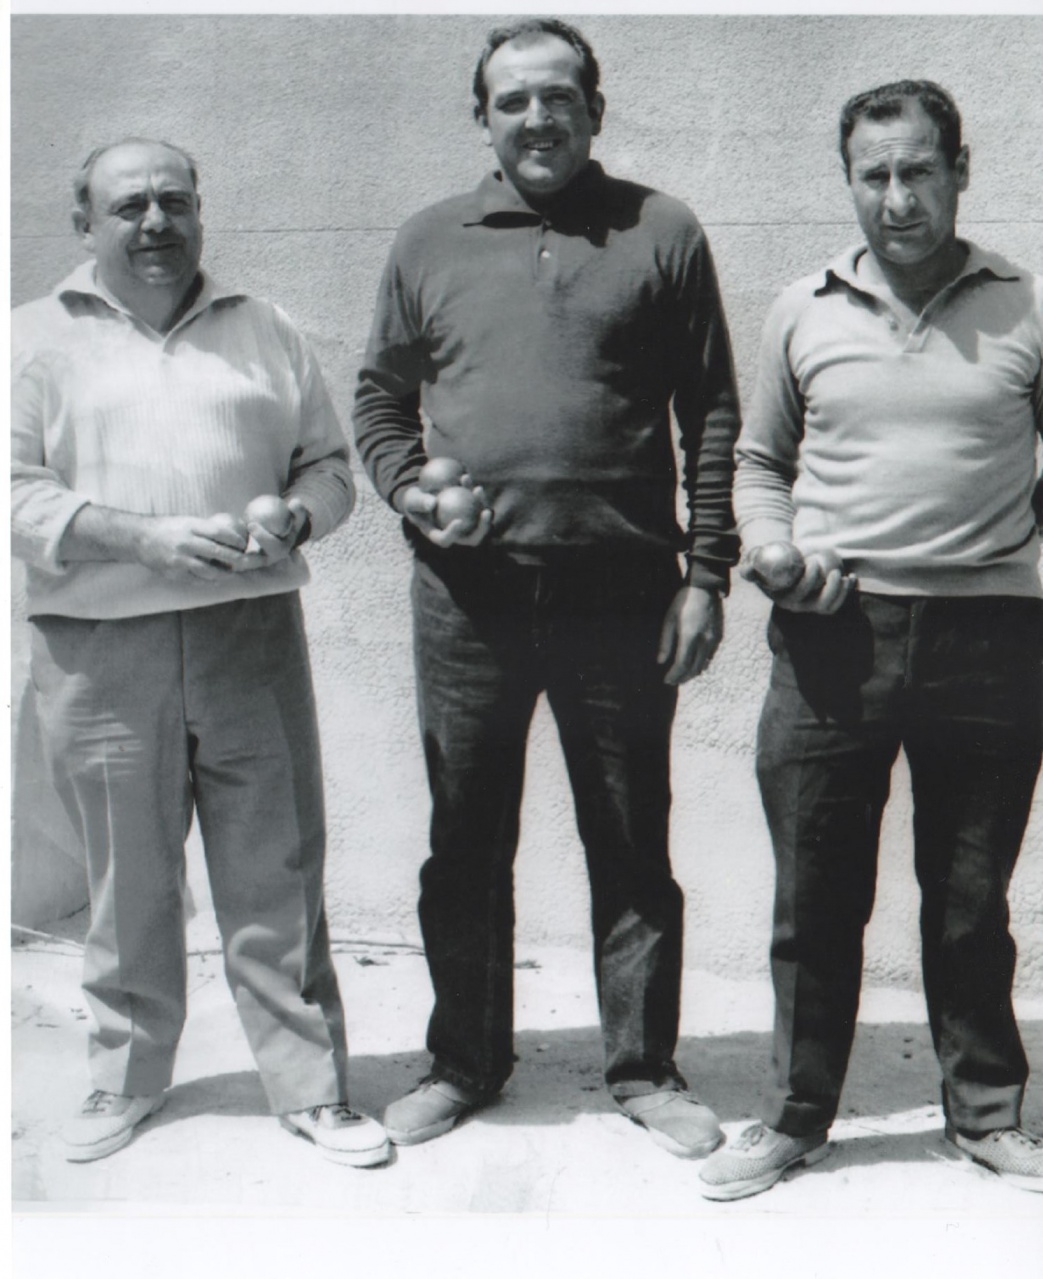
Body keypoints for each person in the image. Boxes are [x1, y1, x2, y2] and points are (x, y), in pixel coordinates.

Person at [353, 19, 740, 1156]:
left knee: (630, 835)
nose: (536, 118)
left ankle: (643, 1068)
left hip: (623, 588)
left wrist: (703, 573)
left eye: (557, 97)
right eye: (512, 99)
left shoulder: (661, 230)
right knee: (464, 836)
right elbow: (379, 399)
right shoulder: (430, 238)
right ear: (483, 115)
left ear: (594, 110)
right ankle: (463, 1061)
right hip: (465, 594)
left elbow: (709, 412)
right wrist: (408, 489)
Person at [11, 138, 389, 1168]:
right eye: (128, 205)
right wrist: (140, 535)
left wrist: (296, 525)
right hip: (97, 647)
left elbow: (327, 468)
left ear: (199, 212)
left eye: (173, 201)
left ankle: (310, 1087)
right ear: (82, 221)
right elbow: (13, 494)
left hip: (248, 633)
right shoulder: (29, 338)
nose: (155, 223)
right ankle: (124, 1076)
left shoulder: (261, 329)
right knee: (125, 881)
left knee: (276, 867)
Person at [699, 80, 1043, 1200]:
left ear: (958, 169)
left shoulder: (1024, 303)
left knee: (966, 895)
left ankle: (985, 1113)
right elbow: (757, 462)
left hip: (990, 638)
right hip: (831, 637)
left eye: (916, 171)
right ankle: (797, 1114)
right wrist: (767, 547)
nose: (896, 198)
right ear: (849, 180)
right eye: (872, 175)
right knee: (815, 893)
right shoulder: (799, 307)